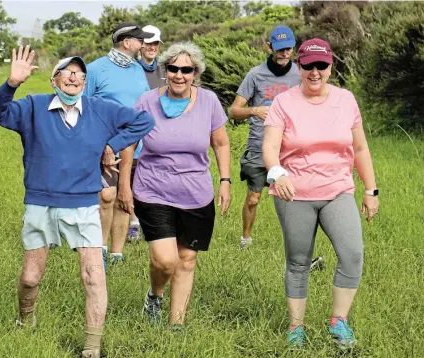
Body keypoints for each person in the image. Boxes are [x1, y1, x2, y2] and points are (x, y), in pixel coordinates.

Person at [0, 45, 154, 358]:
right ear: (54, 79)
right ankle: (26, 320)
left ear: (85, 83)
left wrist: (112, 145)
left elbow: (143, 121)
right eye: (67, 72)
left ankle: (92, 347)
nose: (74, 77)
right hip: (41, 203)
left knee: (93, 276)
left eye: (80, 73)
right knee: (29, 277)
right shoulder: (34, 107)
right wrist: (12, 84)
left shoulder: (99, 108)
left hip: (84, 204)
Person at [263, 38, 379, 348]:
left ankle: (339, 322)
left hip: (337, 190)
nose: (315, 72)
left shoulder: (346, 100)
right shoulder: (283, 102)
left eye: (321, 65)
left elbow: (360, 147)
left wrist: (371, 189)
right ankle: (296, 327)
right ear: (299, 66)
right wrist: (278, 172)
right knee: (299, 261)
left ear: (331, 66)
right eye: (308, 66)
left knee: (352, 254)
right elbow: (270, 147)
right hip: (294, 194)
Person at [132, 42, 231, 329]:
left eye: (186, 70)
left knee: (186, 260)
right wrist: (122, 182)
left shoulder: (209, 101)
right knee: (165, 261)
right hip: (153, 189)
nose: (179, 75)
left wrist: (224, 180)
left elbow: (221, 143)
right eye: (173, 68)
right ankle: (155, 294)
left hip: (196, 193)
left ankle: (176, 325)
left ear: (196, 73)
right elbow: (130, 143)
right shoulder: (147, 101)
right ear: (165, 70)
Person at [85, 22, 154, 268]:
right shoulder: (94, 69)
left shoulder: (137, 70)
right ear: (127, 42)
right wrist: (99, 144)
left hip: (137, 146)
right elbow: (85, 109)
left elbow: (145, 104)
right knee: (106, 196)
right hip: (107, 147)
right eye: (139, 40)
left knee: (126, 198)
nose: (143, 45)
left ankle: (117, 253)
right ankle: (100, 249)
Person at [229, 25, 301, 249]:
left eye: (288, 48)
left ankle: (296, 244)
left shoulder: (300, 74)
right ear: (269, 47)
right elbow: (234, 111)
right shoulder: (256, 74)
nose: (284, 53)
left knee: (294, 200)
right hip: (259, 147)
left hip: (289, 147)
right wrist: (254, 110)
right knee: (253, 198)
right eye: (279, 49)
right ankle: (246, 239)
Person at [127, 25, 167, 244]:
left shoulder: (166, 70)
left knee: (155, 181)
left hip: (159, 135)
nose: (152, 47)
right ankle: (133, 223)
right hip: (135, 134)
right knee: (133, 180)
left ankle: (153, 221)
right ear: (140, 45)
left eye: (155, 43)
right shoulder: (131, 69)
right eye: (148, 43)